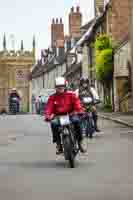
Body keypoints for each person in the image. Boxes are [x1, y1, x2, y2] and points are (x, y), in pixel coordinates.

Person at [44, 77, 86, 154]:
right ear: (55, 87)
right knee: (53, 124)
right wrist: (47, 116)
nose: (60, 88)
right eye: (58, 87)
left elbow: (77, 104)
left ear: (65, 86)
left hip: (71, 114)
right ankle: (58, 144)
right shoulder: (52, 97)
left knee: (77, 122)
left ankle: (80, 142)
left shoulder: (71, 95)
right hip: (58, 116)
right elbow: (49, 108)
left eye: (61, 86)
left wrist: (80, 110)